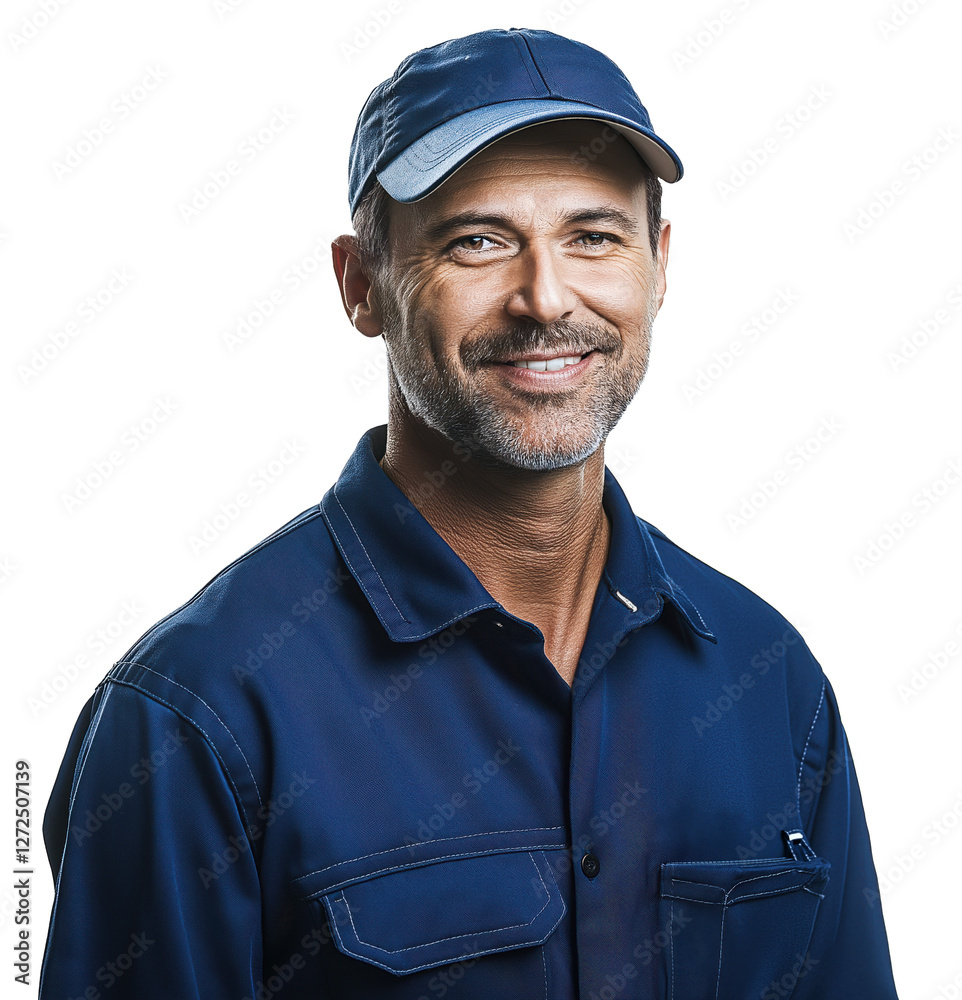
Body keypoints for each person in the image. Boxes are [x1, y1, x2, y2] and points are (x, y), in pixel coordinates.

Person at [38, 27, 899, 999]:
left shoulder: (767, 678)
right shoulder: (198, 714)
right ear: (361, 282)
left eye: (593, 235)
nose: (544, 297)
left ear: (658, 265)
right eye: (476, 240)